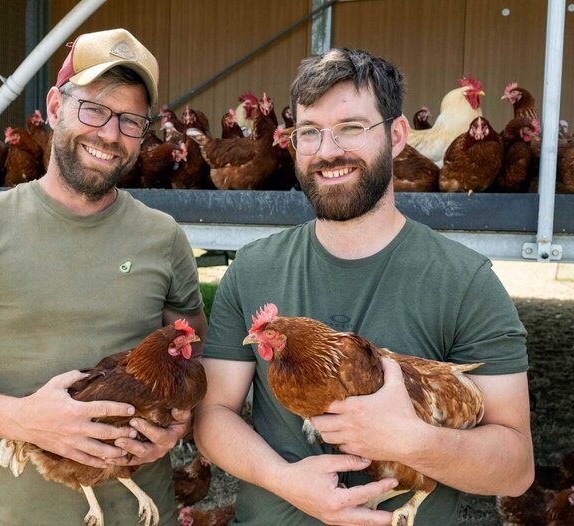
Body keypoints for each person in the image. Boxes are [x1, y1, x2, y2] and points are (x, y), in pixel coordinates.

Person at [193, 48, 534, 526]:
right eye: (309, 132)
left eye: (351, 128)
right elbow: (212, 417)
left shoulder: (464, 281)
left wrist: (412, 440)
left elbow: (516, 468)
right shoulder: (254, 268)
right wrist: (282, 479)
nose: (328, 150)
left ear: (396, 136)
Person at [0, 28, 206, 526]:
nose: (109, 134)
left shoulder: (163, 237)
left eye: (130, 120)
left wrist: (181, 421)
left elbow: (193, 360)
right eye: (95, 109)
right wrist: (28, 420)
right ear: (57, 106)